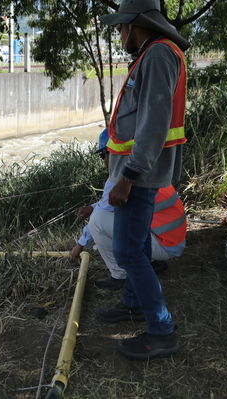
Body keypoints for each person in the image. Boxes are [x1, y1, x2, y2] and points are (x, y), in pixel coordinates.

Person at [98, 0, 190, 360]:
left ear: (136, 24)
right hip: (135, 173)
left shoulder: (158, 56)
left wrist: (128, 176)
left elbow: (154, 122)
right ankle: (133, 301)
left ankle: (162, 330)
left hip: (139, 176)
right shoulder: (153, 54)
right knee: (133, 248)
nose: (119, 34)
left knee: (128, 252)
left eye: (121, 27)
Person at [71, 130, 186, 291]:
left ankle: (119, 275)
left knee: (97, 221)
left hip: (162, 245)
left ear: (113, 153)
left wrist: (80, 245)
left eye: (103, 154)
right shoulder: (146, 168)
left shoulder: (119, 180)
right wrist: (92, 207)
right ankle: (152, 263)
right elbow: (109, 203)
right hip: (172, 242)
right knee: (106, 215)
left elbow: (102, 213)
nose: (103, 160)